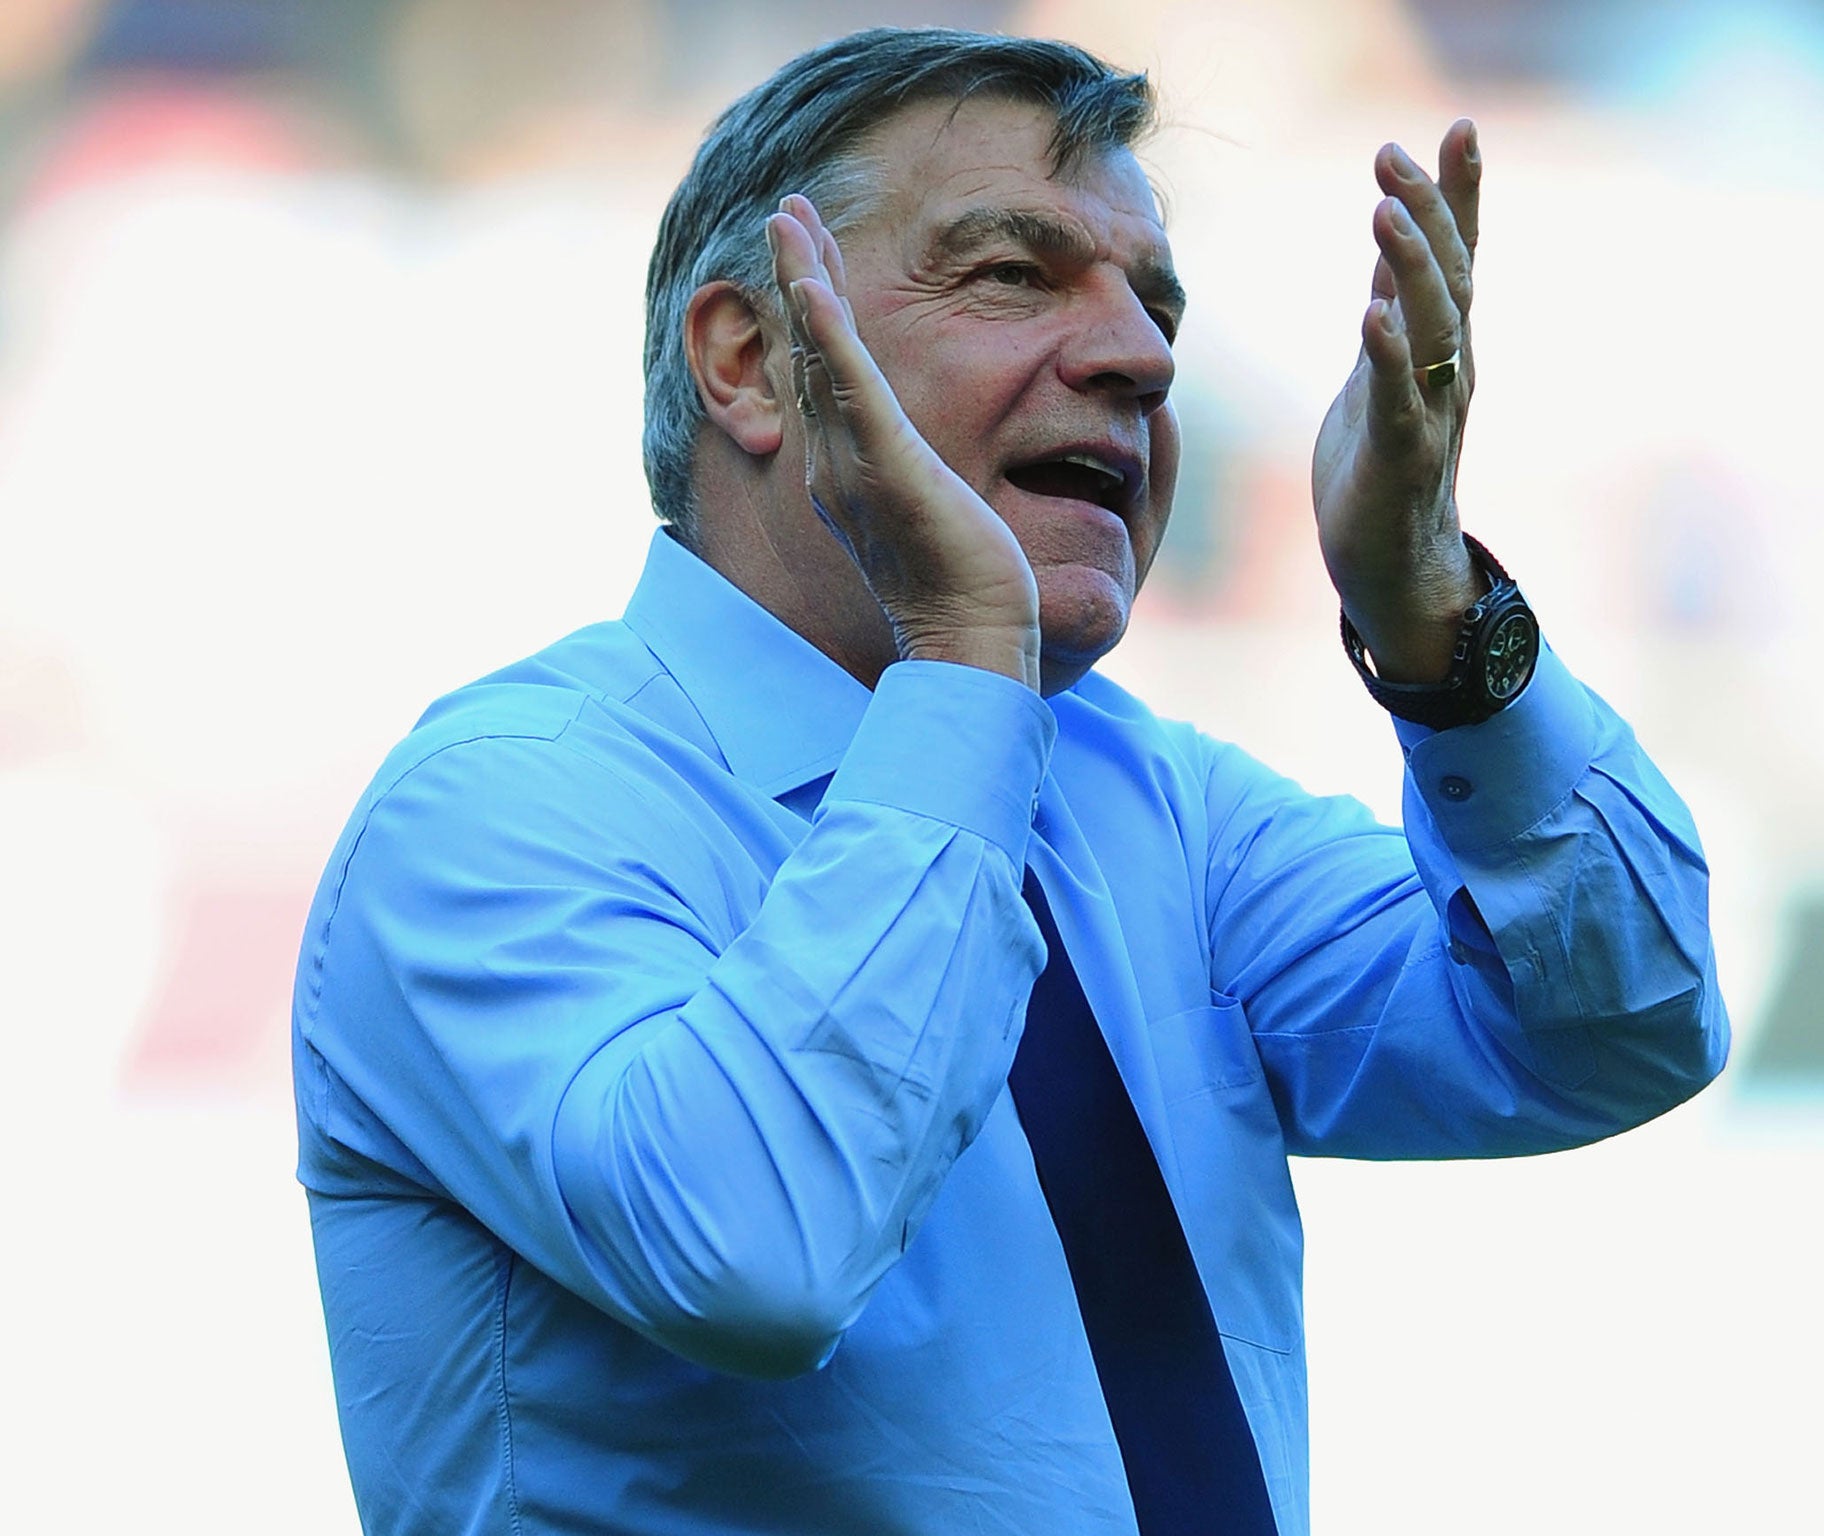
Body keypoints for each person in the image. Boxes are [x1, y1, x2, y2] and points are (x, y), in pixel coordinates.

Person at [294, 26, 1727, 1536]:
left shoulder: (1153, 805)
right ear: (750, 359)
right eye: (1009, 274)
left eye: (1152, 302)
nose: (1142, 358)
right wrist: (964, 658)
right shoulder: (499, 810)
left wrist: (1433, 614)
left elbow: (1620, 1030)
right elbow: (757, 1253)